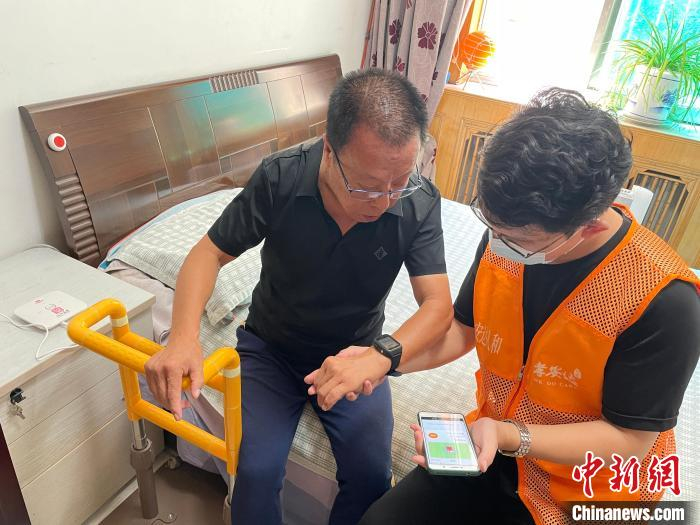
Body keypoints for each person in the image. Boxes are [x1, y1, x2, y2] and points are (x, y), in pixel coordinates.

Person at [310, 88, 700, 524]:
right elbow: (463, 329)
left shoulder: (664, 301)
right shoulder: (508, 232)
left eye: (518, 238)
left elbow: (630, 441)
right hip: (491, 446)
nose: (497, 243)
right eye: (490, 224)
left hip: (590, 486)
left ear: (589, 226)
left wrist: (509, 435)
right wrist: (384, 359)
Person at [143, 68, 453, 525]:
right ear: (329, 150)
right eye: (368, 185)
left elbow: (438, 306)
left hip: (356, 352)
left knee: (371, 475)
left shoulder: (418, 201)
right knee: (256, 469)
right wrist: (183, 337)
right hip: (271, 348)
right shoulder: (281, 177)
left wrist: (381, 356)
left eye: (400, 181)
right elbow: (209, 253)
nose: (385, 200)